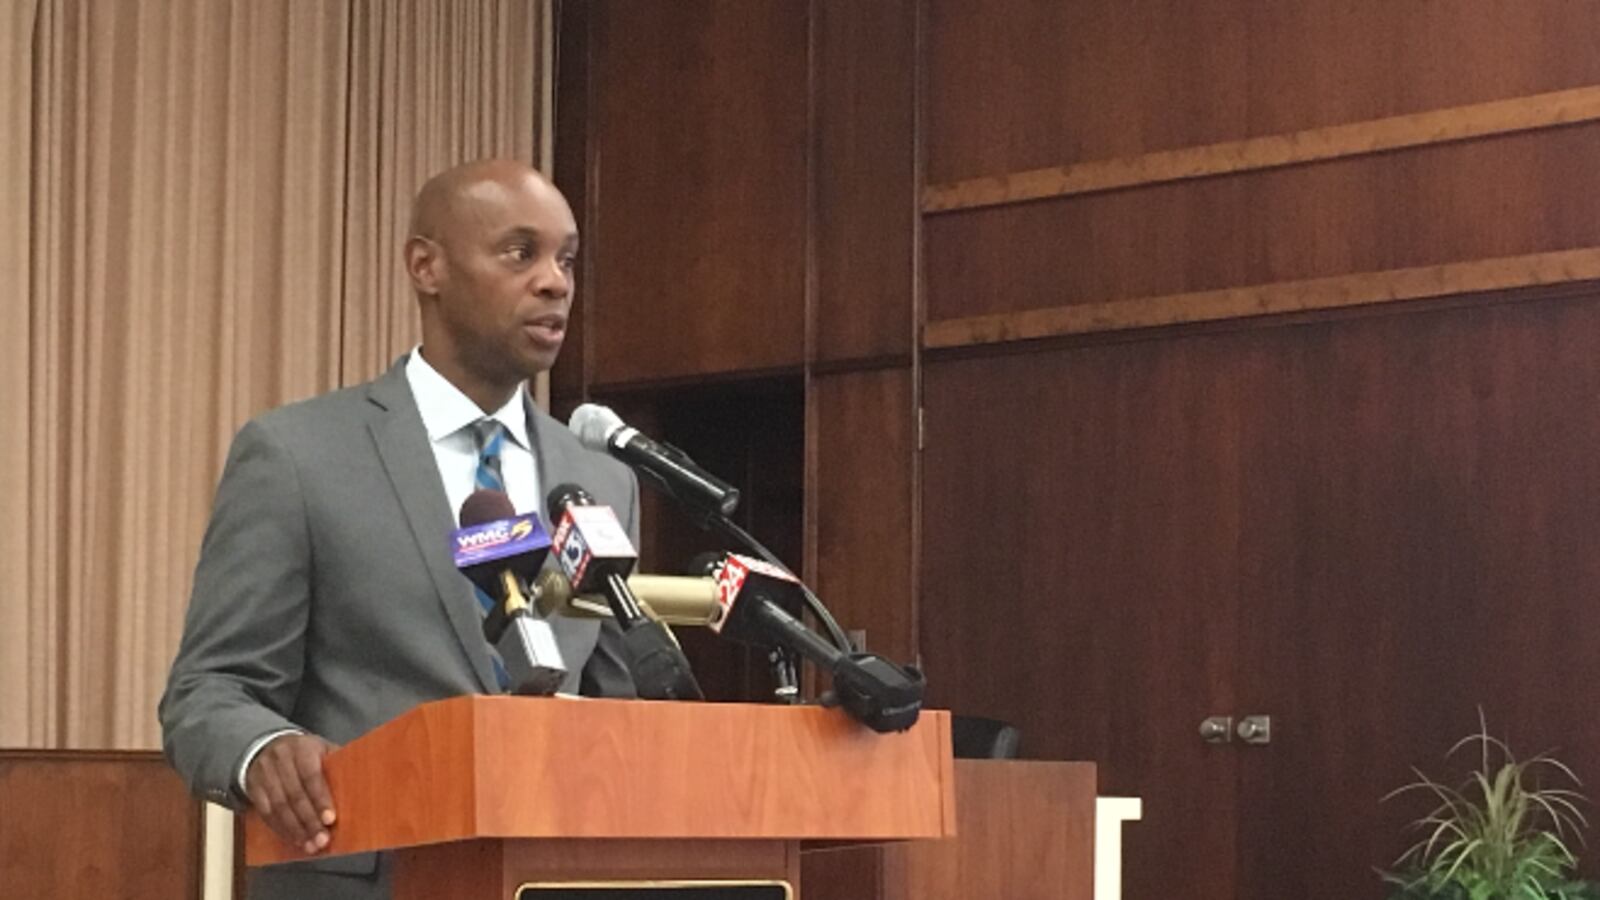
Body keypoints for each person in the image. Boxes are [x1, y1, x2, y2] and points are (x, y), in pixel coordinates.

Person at [159, 160, 638, 900]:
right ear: (427, 266)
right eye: (521, 254)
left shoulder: (601, 481)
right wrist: (263, 748)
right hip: (365, 877)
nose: (555, 282)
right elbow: (208, 691)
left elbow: (616, 707)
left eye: (566, 259)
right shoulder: (299, 456)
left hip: (550, 878)